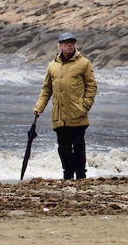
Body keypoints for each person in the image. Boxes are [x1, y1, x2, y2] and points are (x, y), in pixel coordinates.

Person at [34, 32, 97, 180]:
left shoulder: (84, 63)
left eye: (72, 42)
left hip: (78, 113)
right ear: (60, 45)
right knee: (63, 147)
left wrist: (85, 106)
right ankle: (67, 174)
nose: (70, 45)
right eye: (66, 43)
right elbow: (46, 89)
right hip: (59, 115)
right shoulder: (52, 66)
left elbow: (92, 86)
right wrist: (39, 107)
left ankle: (81, 175)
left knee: (78, 145)